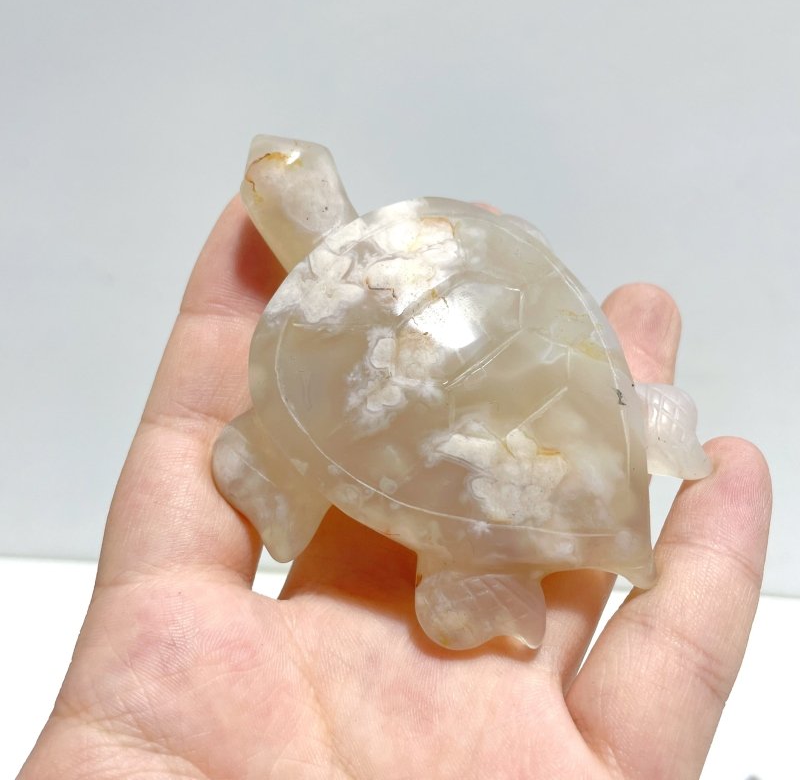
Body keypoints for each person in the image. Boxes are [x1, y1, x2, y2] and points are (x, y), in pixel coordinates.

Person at [19, 198, 772, 779]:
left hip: (498, 483)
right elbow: (520, 257)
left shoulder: (299, 342)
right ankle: (637, 432)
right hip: (590, 429)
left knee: (256, 458)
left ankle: (474, 573)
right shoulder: (449, 236)